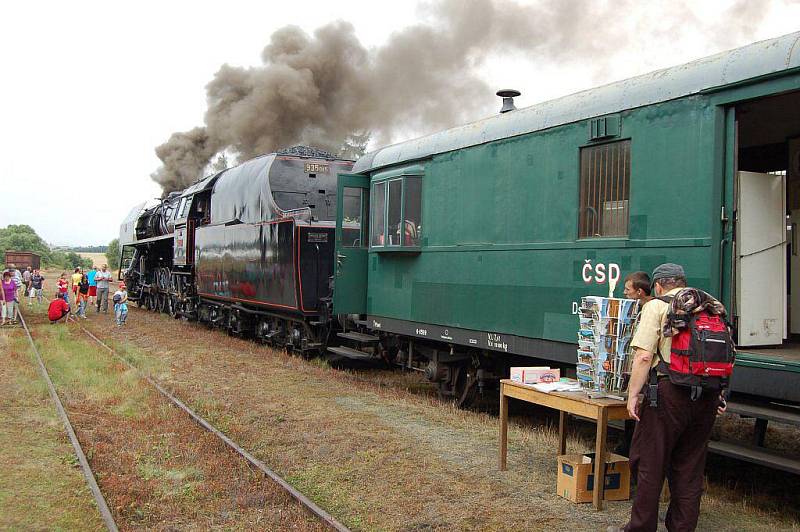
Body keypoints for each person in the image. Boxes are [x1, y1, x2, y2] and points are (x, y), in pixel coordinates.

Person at [614, 264, 727, 532]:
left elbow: (643, 356)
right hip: (708, 395)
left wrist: (632, 396)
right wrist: (720, 391)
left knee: (650, 462)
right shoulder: (709, 305)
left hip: (668, 394)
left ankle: (641, 527)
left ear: (659, 286)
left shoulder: (657, 306)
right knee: (690, 468)